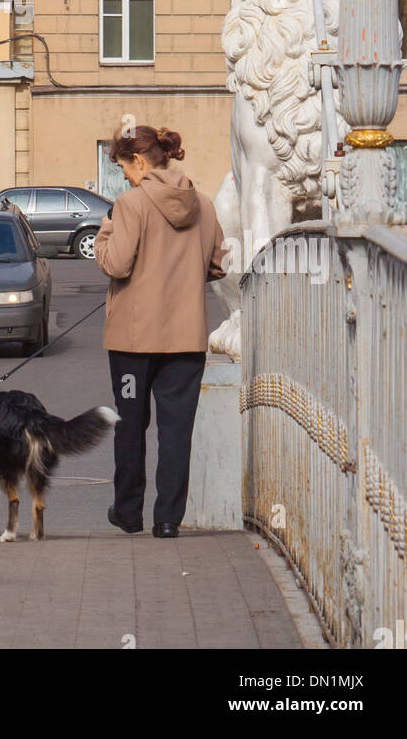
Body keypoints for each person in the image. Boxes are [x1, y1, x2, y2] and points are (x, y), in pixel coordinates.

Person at [94, 124, 226, 540]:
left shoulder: (129, 205)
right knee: (176, 431)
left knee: (130, 426)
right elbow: (217, 264)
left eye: (122, 168)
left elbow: (116, 265)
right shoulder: (203, 204)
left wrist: (105, 231)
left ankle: (129, 513)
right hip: (186, 338)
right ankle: (168, 519)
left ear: (138, 161)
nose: (124, 178)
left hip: (134, 341)